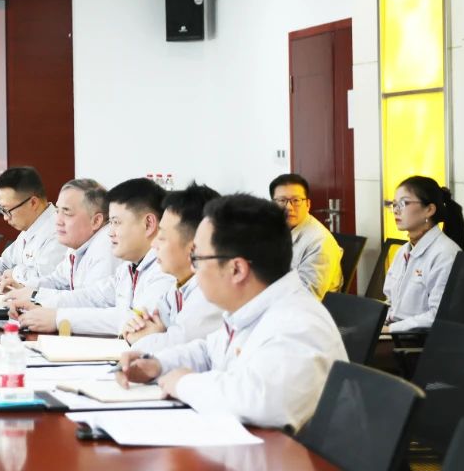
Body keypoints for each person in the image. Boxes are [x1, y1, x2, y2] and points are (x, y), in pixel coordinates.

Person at [117, 194, 348, 430]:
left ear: (236, 269)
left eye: (197, 258)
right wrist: (157, 364)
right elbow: (209, 353)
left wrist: (184, 383)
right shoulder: (252, 308)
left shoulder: (297, 324)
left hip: (290, 452)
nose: (194, 268)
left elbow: (260, 402)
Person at [15, 178, 174, 336]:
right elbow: (93, 296)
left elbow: (136, 321)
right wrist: (41, 303)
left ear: (148, 224)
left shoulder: (165, 271)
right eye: (111, 222)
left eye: (116, 222)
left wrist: (58, 318)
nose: (110, 232)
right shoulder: (130, 266)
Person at [123, 183, 223, 352]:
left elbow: (174, 345)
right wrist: (141, 331)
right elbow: (142, 322)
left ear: (194, 248)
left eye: (162, 237)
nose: (153, 244)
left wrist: (144, 338)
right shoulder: (179, 286)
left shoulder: (210, 293)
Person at [2, 178, 121, 307]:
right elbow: (57, 281)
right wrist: (25, 288)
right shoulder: (77, 243)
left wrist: (35, 295)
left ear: (96, 221)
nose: (57, 221)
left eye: (67, 212)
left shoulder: (108, 246)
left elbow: (93, 303)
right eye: (58, 211)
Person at [383, 175, 464, 333]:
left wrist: (390, 329)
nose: (396, 210)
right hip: (395, 332)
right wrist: (376, 322)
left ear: (429, 210)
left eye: (404, 203)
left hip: (418, 339)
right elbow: (391, 301)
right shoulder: (402, 251)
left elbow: (437, 315)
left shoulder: (445, 254)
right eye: (394, 204)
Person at [0, 166, 67, 288]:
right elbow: (5, 262)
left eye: (7, 210)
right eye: (1, 209)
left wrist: (14, 273)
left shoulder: (59, 230)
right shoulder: (30, 228)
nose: (5, 218)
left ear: (33, 203)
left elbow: (46, 280)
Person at [269, 173, 342, 298]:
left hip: (306, 306)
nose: (289, 207)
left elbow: (306, 296)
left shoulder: (320, 242)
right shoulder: (270, 228)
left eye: (296, 200)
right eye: (281, 201)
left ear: (308, 205)